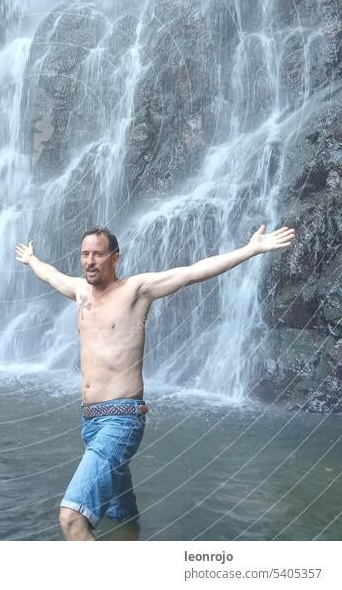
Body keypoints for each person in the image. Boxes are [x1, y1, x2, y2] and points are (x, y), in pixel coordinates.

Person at [15, 222, 296, 541]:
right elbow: (52, 275)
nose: (89, 261)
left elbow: (193, 272)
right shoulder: (80, 292)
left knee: (72, 518)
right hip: (89, 424)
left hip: (120, 420)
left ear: (114, 259)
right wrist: (32, 260)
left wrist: (251, 249)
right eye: (84, 255)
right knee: (121, 519)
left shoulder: (137, 290)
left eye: (97, 254)